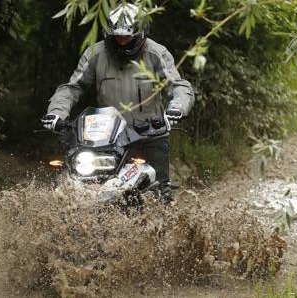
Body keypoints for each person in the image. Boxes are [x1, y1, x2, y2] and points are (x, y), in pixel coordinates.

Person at [42, 2, 195, 202]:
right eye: (117, 37)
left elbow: (179, 86)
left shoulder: (156, 53)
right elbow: (72, 87)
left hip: (149, 134)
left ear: (140, 34)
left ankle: (163, 224)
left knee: (160, 192)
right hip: (106, 137)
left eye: (127, 37)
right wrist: (56, 113)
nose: (122, 42)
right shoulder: (95, 54)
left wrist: (176, 109)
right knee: (77, 182)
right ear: (109, 34)